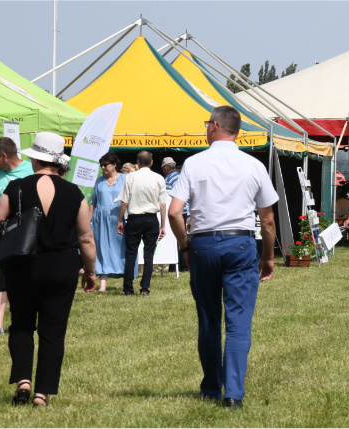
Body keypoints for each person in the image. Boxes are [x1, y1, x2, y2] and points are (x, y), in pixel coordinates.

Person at [168, 106, 278, 409]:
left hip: (203, 244)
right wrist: (268, 256)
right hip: (240, 244)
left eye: (207, 124)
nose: (206, 128)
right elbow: (267, 220)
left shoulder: (193, 163)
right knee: (238, 324)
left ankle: (210, 387)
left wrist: (185, 245)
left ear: (215, 126)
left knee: (208, 319)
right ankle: (233, 394)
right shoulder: (253, 165)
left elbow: (175, 211)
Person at [0, 131, 97, 407]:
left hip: (22, 265)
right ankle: (42, 393)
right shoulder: (74, 192)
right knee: (54, 331)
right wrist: (90, 271)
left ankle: (23, 381)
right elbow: (86, 237)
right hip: (62, 266)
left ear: (35, 159)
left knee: (22, 325)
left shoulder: (15, 187)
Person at [0, 137, 33, 336]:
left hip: (26, 231)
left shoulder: (30, 170)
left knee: (25, 277)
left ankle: (25, 319)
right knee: (0, 274)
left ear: (4, 156)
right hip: (2, 231)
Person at [117, 151, 169, 296]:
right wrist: (163, 225)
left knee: (130, 254)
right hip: (151, 219)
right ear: (152, 162)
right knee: (149, 256)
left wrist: (120, 220)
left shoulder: (130, 177)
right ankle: (144, 288)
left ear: (137, 163)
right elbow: (163, 204)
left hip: (134, 218)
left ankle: (128, 288)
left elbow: (124, 201)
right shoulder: (158, 178)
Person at [90, 152, 126, 292]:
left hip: (119, 217)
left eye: (105, 165)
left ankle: (126, 281)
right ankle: (102, 284)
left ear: (114, 165)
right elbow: (93, 202)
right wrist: (89, 220)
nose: (103, 168)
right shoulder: (99, 181)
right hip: (100, 219)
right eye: (101, 165)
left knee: (121, 249)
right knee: (101, 250)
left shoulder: (125, 178)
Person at [162, 156, 189, 273]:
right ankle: (183, 265)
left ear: (166, 168)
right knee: (183, 238)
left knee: (175, 239)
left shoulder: (168, 179)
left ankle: (176, 266)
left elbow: (167, 197)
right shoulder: (180, 177)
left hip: (176, 212)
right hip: (185, 211)